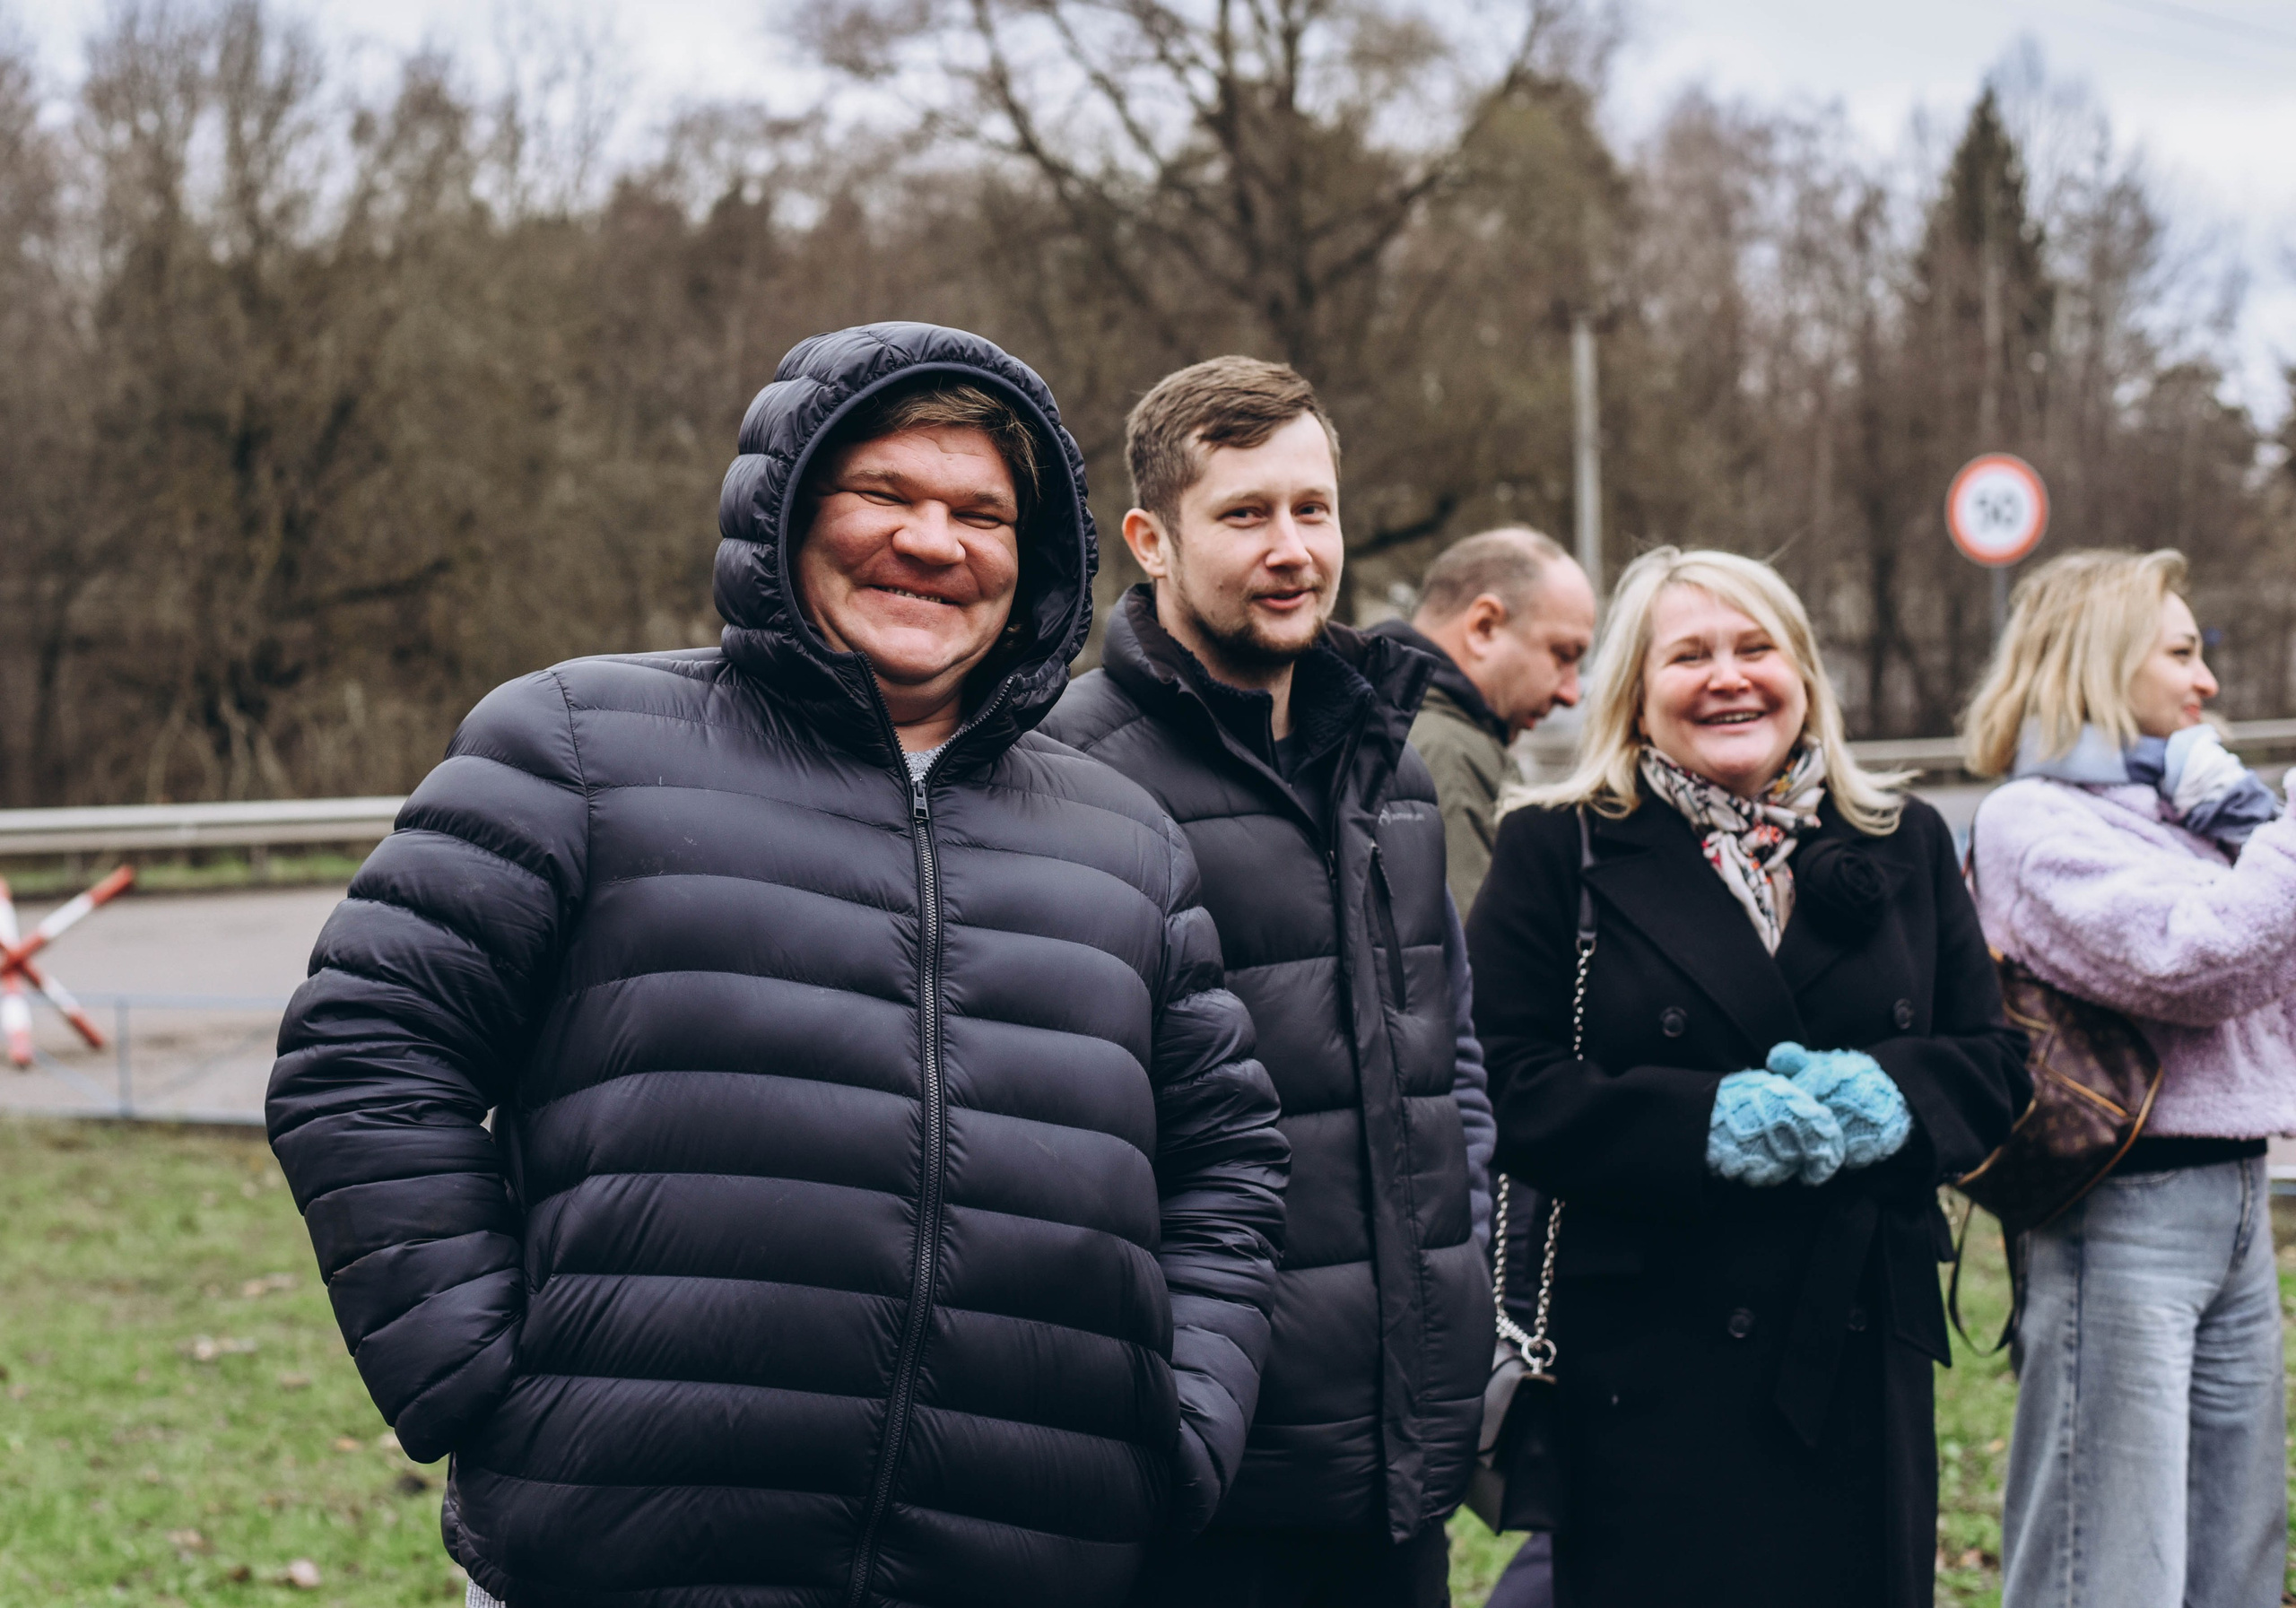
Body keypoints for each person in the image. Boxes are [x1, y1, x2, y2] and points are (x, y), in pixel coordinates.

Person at [265, 323, 1292, 1608]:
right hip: (620, 1565)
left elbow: (1229, 1161)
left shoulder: (1123, 841)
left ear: (1032, 564)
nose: (933, 540)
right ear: (786, 511)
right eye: (882, 493)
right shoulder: (577, 745)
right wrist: (482, 1380)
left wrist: (1175, 1429)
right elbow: (364, 1054)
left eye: (981, 512)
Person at [1466, 545, 2029, 1608]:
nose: (1727, 676)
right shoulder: (1557, 848)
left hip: (1860, 1352)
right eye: (1687, 655)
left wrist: (1893, 1099)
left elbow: (1995, 1060)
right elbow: (1505, 1079)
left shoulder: (1901, 839)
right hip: (1649, 1365)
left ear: (1804, 675)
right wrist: (1702, 1124)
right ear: (1634, 693)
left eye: (1755, 647)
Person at [1043, 356, 1494, 1607]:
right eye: (1245, 514)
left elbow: (1446, 1062)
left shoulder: (1389, 768)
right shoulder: (1062, 778)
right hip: (1191, 1481)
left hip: (1399, 1460)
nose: (1292, 546)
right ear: (1152, 540)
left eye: (1314, 508)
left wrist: (1470, 1306)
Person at [1964, 549, 2295, 1608]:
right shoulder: (2034, 821)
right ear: (2099, 659)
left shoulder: (2191, 812)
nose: (2206, 682)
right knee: (2106, 1565)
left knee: (2232, 1563)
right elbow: (2189, 962)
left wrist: (2252, 827)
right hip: (2126, 1208)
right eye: (2183, 652)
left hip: (2238, 1196)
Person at [1367, 528, 1596, 913]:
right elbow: (1478, 960)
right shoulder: (1448, 754)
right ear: (1484, 627)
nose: (1570, 694)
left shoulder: (1393, 723)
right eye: (1563, 655)